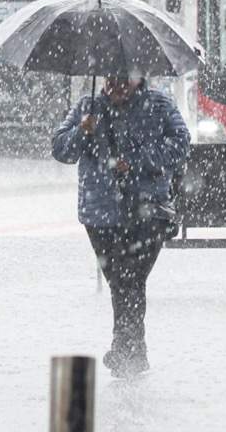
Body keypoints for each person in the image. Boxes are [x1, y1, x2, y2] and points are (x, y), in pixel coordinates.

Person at [51, 71, 191, 378]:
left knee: (129, 277)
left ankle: (124, 347)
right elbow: (61, 149)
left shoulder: (159, 105)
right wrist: (82, 131)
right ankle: (133, 351)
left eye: (124, 77)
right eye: (111, 77)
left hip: (148, 210)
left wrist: (137, 160)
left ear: (140, 77)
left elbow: (181, 144)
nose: (117, 84)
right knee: (122, 281)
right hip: (101, 211)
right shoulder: (88, 107)